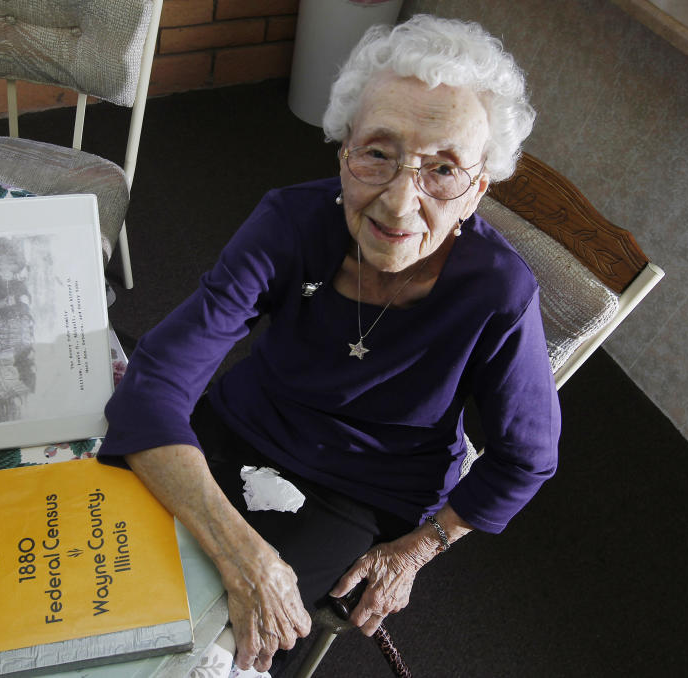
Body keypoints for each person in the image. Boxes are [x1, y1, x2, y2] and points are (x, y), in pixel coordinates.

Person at [97, 14, 559, 675]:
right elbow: (155, 386)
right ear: (343, 151)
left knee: (214, 651)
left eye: (443, 170)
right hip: (239, 424)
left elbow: (526, 459)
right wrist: (244, 553)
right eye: (377, 153)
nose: (400, 203)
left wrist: (418, 549)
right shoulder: (289, 222)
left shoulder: (500, 291)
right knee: (90, 573)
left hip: (363, 489)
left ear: (477, 190)